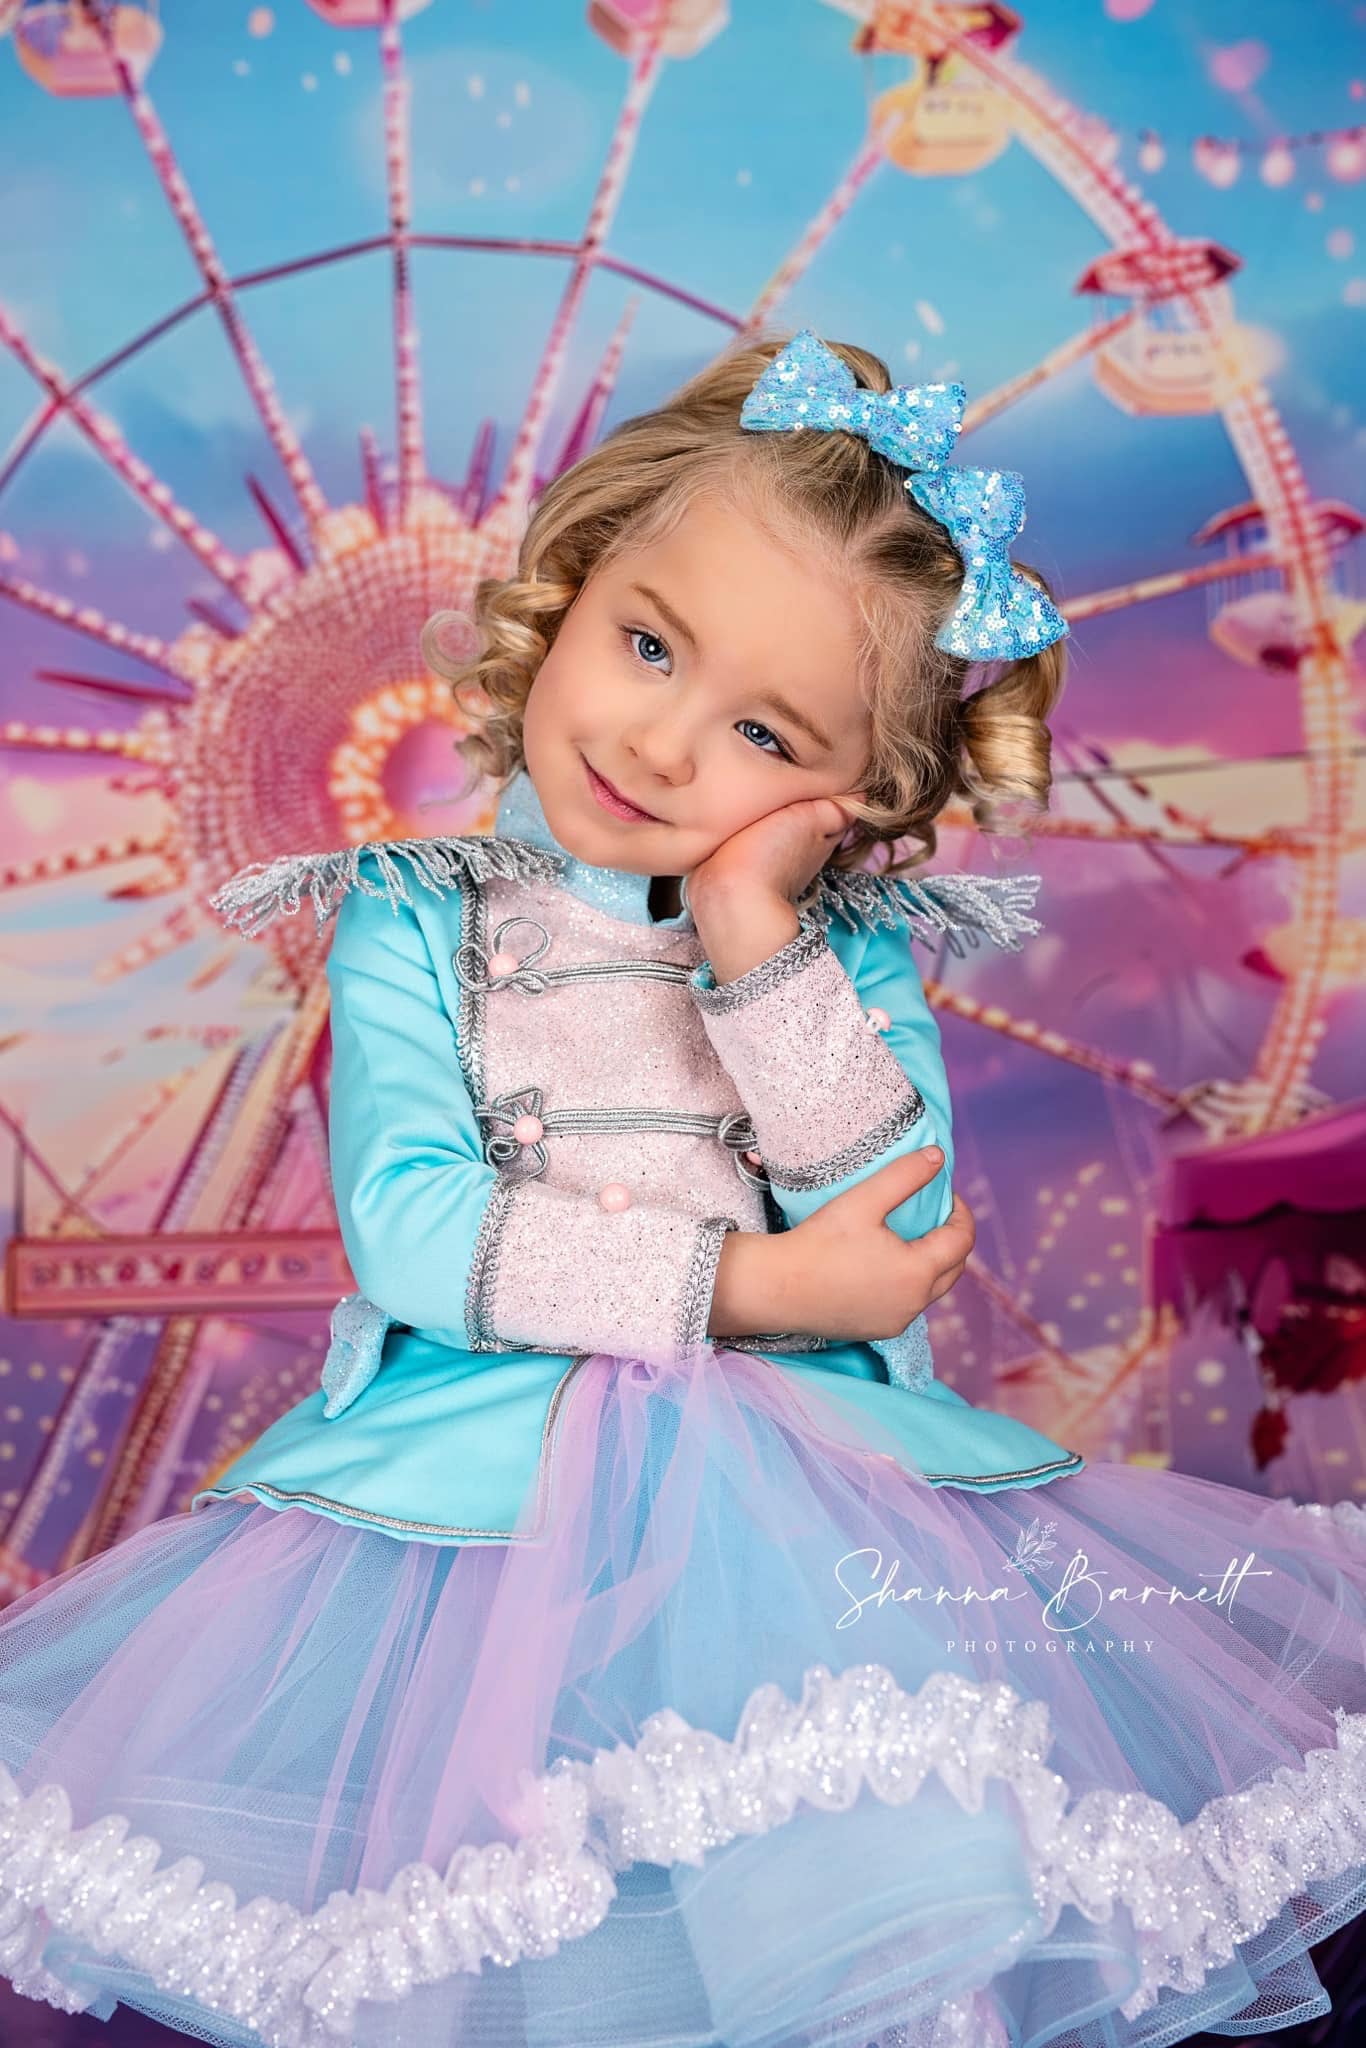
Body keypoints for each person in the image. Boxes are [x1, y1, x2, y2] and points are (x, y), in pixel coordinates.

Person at [1, 328, 1364, 2048]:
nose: (659, 743)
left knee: (848, 1904)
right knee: (499, 1924)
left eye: (760, 730)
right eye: (646, 645)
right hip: (464, 1512)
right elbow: (419, 1230)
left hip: (813, 1522)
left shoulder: (843, 953)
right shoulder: (417, 912)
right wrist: (760, 1291)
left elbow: (896, 1216)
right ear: (567, 586)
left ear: (852, 795)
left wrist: (752, 937)